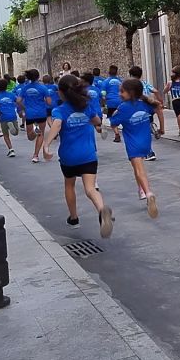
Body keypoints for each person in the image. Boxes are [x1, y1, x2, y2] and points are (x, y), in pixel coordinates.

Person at [43, 75, 114, 238]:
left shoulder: (59, 110)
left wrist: (46, 145)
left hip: (69, 157)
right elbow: (97, 121)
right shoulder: (86, 106)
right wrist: (96, 124)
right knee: (90, 189)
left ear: (61, 92)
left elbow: (57, 125)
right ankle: (102, 209)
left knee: (69, 185)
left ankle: (74, 218)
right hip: (88, 155)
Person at [108, 78, 161, 218]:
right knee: (137, 167)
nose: (119, 94)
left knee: (139, 169)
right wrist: (161, 128)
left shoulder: (123, 108)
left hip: (133, 143)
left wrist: (115, 115)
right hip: (146, 141)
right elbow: (158, 109)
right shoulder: (145, 104)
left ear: (130, 92)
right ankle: (141, 190)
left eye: (122, 91)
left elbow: (113, 123)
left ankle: (148, 192)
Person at [128, 65, 164, 161]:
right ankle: (157, 128)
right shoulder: (144, 83)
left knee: (142, 131)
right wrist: (160, 100)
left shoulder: (131, 85)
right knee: (147, 124)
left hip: (138, 108)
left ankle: (149, 152)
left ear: (131, 75)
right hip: (149, 106)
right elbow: (156, 91)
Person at [17, 69, 52, 163]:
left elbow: (18, 101)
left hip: (29, 113)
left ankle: (34, 131)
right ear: (38, 77)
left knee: (30, 137)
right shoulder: (43, 88)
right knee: (41, 134)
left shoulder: (25, 88)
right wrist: (42, 101)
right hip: (41, 113)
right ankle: (35, 155)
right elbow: (49, 102)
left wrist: (24, 108)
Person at [0, 78, 19, 157]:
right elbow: (18, 101)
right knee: (16, 133)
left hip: (3, 117)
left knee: (6, 135)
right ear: (6, 86)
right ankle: (13, 129)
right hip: (12, 115)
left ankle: (11, 150)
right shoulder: (11, 95)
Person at [102, 65, 123, 142]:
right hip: (120, 102)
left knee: (112, 118)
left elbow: (103, 94)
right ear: (117, 72)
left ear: (109, 72)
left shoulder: (106, 81)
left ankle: (117, 134)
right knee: (122, 117)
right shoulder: (120, 81)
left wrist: (104, 104)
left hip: (110, 102)